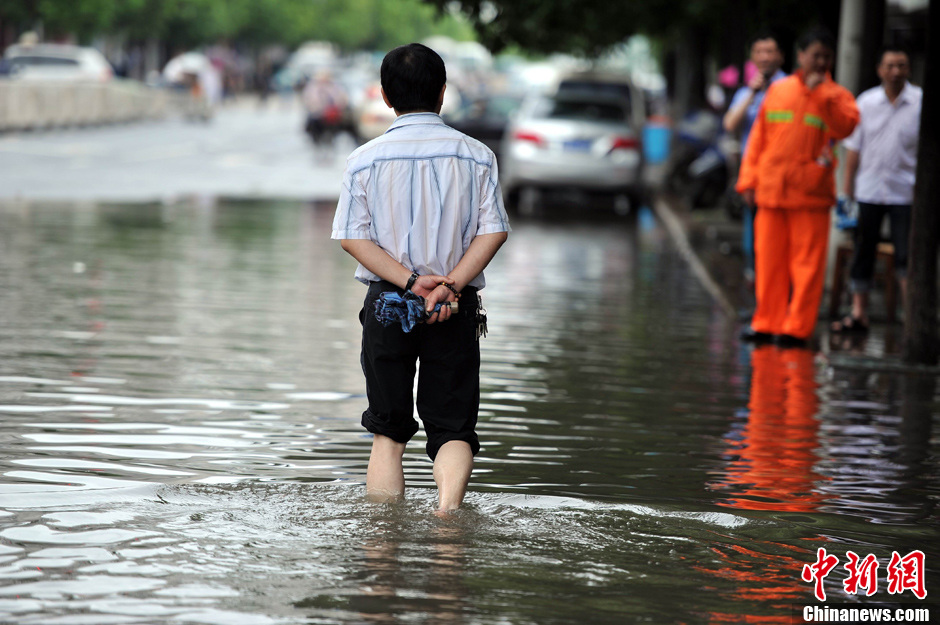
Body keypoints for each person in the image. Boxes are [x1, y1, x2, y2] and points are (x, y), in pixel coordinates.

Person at [331, 43, 510, 514]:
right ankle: (448, 518)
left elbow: (353, 239)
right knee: (452, 427)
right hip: (454, 304)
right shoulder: (477, 156)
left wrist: (412, 283)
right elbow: (494, 231)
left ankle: (384, 543)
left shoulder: (364, 160)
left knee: (388, 431)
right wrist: (449, 284)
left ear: (386, 96)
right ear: (443, 92)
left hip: (390, 303)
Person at [736, 27, 859, 348]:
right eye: (814, 55)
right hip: (772, 191)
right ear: (800, 56)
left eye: (826, 56)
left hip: (810, 195)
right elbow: (757, 140)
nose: (820, 62)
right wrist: (748, 179)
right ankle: (766, 322)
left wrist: (820, 94)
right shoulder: (778, 91)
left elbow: (845, 127)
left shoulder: (836, 94)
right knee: (769, 263)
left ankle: (796, 328)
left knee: (806, 267)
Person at [831, 47, 922, 333]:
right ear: (880, 69)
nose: (895, 71)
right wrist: (846, 193)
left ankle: (912, 319)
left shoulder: (921, 103)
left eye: (902, 65)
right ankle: (859, 313)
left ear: (909, 69)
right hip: (868, 190)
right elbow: (853, 151)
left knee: (907, 255)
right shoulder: (866, 103)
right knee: (863, 251)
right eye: (890, 65)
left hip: (905, 194)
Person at [723, 33, 787, 286]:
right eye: (759, 52)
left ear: (781, 56)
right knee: (754, 234)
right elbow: (729, 124)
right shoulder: (746, 92)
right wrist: (752, 92)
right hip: (755, 173)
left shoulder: (790, 88)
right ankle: (756, 285)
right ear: (752, 57)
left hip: (782, 173)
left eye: (769, 51)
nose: (764, 57)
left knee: (777, 236)